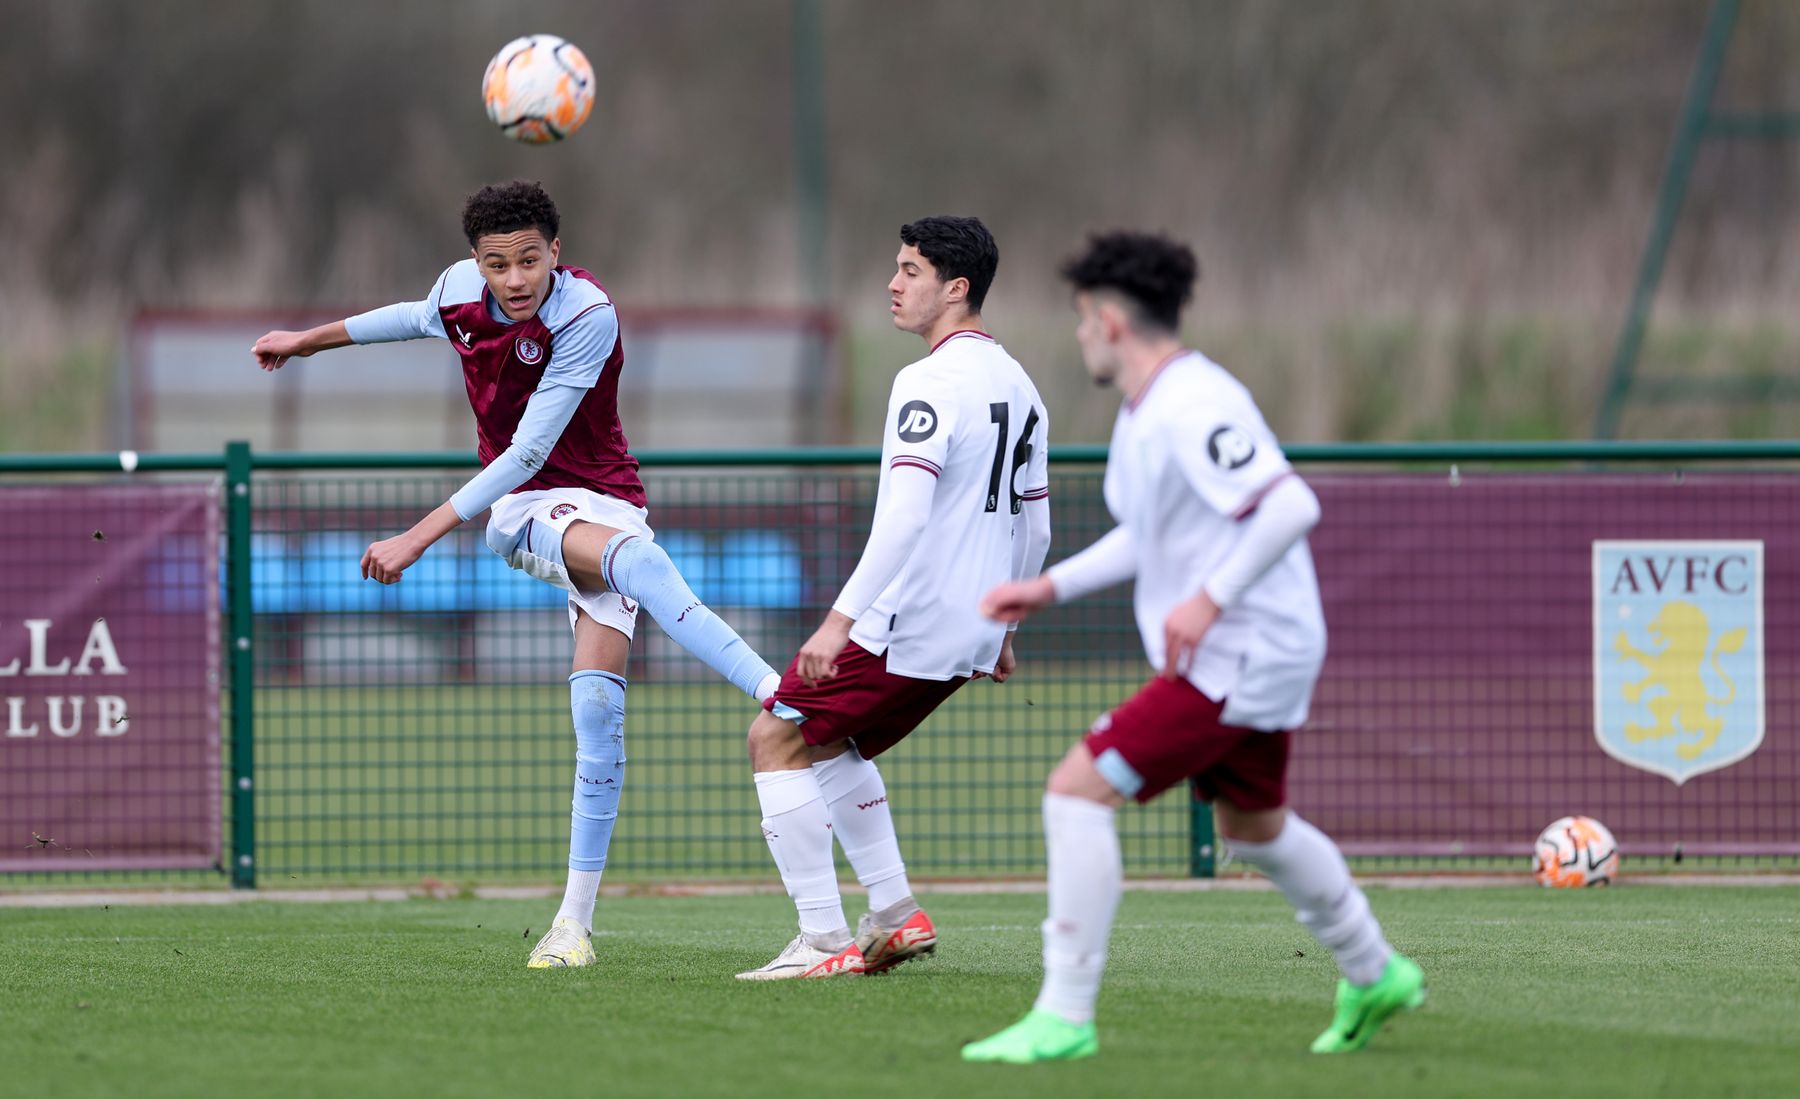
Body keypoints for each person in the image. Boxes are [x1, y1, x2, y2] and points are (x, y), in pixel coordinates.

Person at [251, 180, 779, 969]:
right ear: (476, 264)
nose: (515, 278)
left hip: (603, 498)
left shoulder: (588, 314)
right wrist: (306, 340)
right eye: (498, 264)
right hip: (519, 506)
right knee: (637, 567)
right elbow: (404, 321)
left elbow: (535, 442)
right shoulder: (461, 295)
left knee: (598, 713)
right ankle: (784, 693)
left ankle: (572, 925)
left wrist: (416, 535)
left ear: (556, 255)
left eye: (529, 259)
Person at [963, 231, 1423, 1062]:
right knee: (1254, 827)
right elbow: (1149, 535)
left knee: (1075, 791)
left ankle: (1064, 1014)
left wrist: (1210, 599)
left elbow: (1290, 508)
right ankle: (1375, 970)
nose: (1077, 335)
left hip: (1244, 651)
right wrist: (1050, 586)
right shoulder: (1150, 409)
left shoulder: (1193, 401)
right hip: (1253, 650)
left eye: (1078, 319)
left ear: (1108, 320)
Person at [734, 216, 1052, 980]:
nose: (894, 283)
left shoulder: (928, 381)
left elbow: (905, 515)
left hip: (908, 620)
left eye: (910, 270)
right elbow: (1034, 527)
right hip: (969, 629)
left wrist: (839, 623)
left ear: (955, 288)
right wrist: (1005, 632)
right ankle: (894, 913)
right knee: (829, 742)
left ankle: (819, 939)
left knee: (772, 738)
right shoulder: (1021, 384)